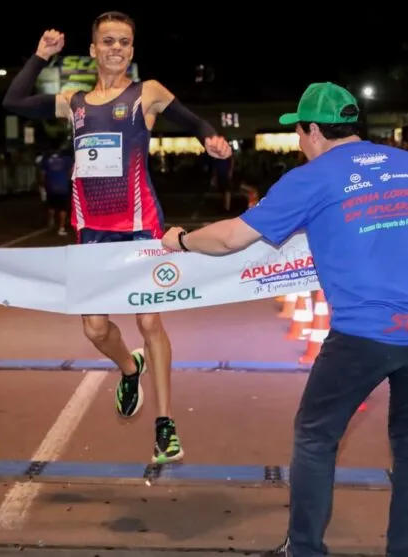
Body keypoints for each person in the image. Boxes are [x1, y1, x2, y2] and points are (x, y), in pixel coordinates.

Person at [162, 82, 408, 557]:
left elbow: (233, 238)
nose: (298, 143)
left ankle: (306, 549)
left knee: (316, 438)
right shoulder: (402, 162)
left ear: (314, 130)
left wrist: (182, 241)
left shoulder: (312, 177)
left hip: (363, 333)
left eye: (298, 133)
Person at [3, 11, 231, 464]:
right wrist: (40, 57)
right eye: (107, 41)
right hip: (92, 233)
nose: (116, 48)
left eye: (124, 42)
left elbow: (194, 121)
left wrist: (211, 139)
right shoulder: (74, 100)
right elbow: (13, 101)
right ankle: (130, 367)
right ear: (92, 50)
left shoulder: (147, 93)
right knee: (94, 328)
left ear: (132, 49)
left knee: (149, 322)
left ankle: (165, 425)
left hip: (141, 226)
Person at [39, 140, 73, 236]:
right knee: (63, 208)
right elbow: (71, 173)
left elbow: (42, 174)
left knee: (51, 206)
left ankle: (51, 221)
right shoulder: (67, 159)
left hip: (50, 186)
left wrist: (42, 184)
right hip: (63, 186)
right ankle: (61, 228)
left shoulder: (45, 160)